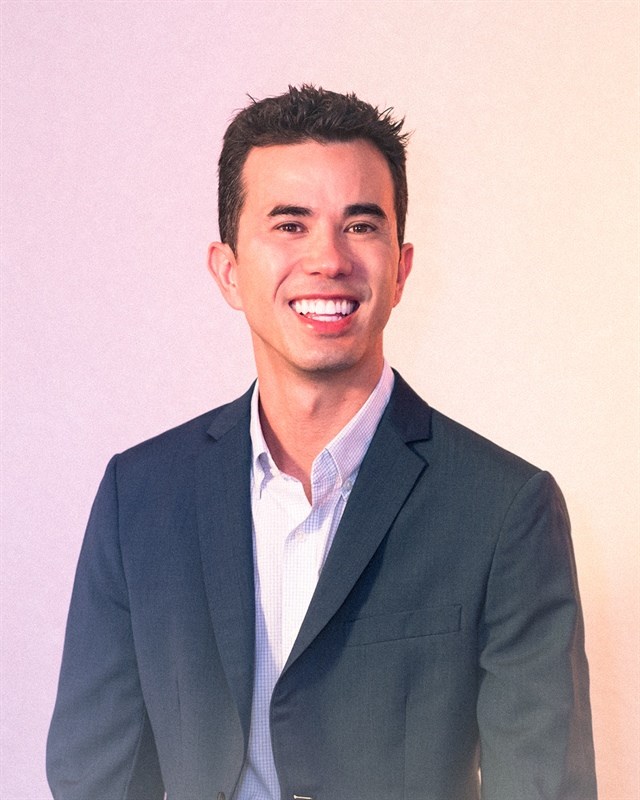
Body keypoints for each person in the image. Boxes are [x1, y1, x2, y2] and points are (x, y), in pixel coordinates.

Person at [47, 85, 597, 800]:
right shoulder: (140, 497)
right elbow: (95, 776)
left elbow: (545, 788)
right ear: (228, 271)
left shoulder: (504, 510)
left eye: (360, 226)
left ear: (400, 270)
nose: (327, 259)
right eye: (290, 224)